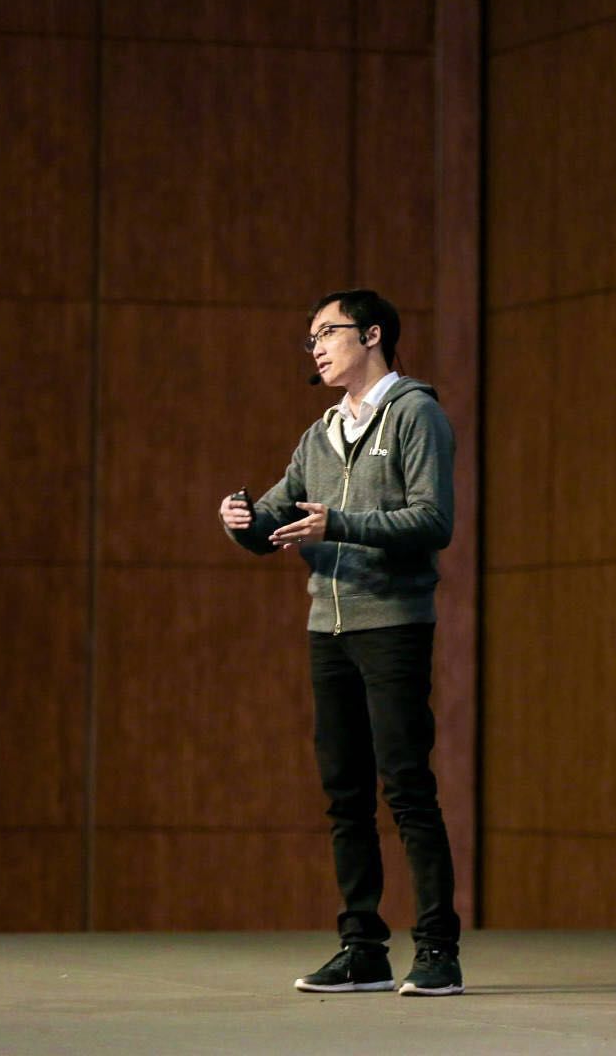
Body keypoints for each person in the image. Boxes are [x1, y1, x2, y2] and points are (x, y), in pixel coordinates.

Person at [218, 288, 462, 997]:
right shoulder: (319, 434)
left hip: (392, 623)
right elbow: (277, 520)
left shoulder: (415, 413)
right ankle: (362, 948)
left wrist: (341, 525)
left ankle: (437, 950)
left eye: (328, 332)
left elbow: (433, 520)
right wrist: (242, 521)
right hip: (327, 628)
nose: (317, 347)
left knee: (407, 787)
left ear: (373, 334)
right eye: (312, 339)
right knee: (344, 794)